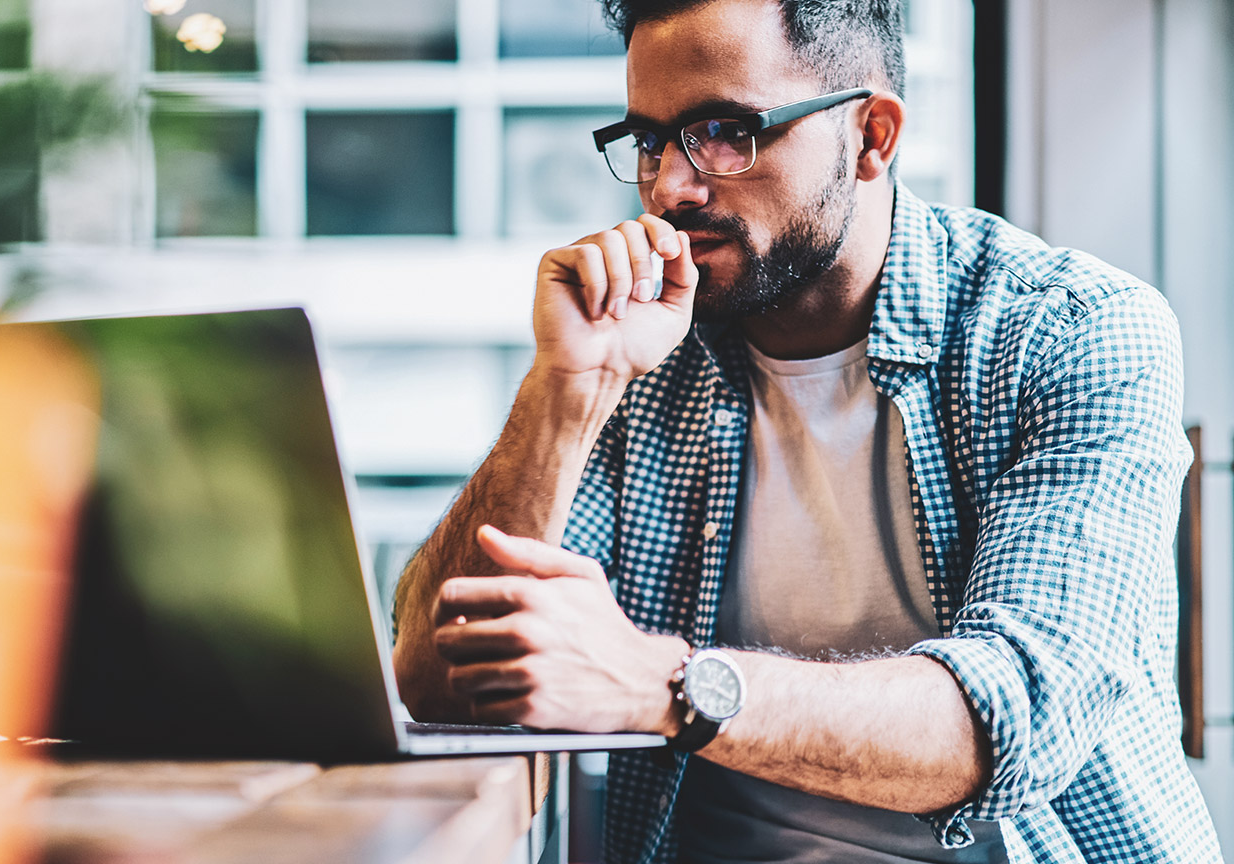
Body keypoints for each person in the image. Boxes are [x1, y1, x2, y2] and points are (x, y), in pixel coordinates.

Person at [390, 0, 1225, 862]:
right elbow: (436, 679)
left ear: (872, 138)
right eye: (650, 141)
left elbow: (1012, 719)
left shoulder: (1072, 330)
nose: (671, 188)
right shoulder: (648, 348)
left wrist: (662, 687)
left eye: (724, 131)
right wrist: (569, 388)